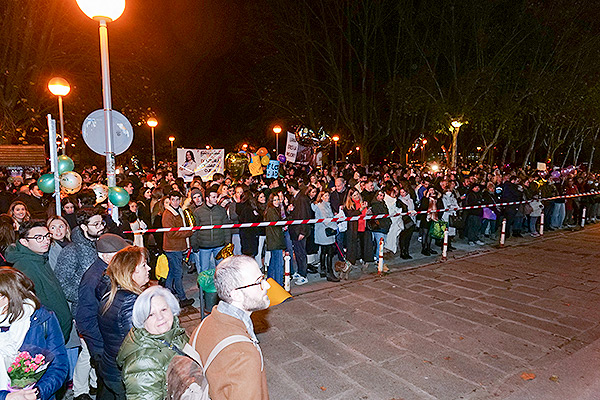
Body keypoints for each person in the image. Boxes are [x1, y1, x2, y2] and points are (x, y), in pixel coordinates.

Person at [190, 255, 269, 400]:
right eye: (258, 282)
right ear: (236, 294)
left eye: (263, 277)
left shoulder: (203, 326)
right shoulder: (244, 356)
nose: (267, 285)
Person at [0, 267, 69, 400]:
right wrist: (6, 397)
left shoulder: (42, 319)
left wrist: (37, 393)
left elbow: (59, 365)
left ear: (13, 296)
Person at [96, 246, 150, 400]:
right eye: (144, 265)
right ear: (131, 272)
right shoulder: (130, 303)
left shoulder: (111, 294)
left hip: (111, 368)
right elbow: (138, 346)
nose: (149, 268)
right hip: (125, 375)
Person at [4, 221, 72, 342]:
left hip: (57, 334)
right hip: (49, 338)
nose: (46, 241)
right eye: (38, 238)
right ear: (24, 242)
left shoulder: (39, 258)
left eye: (47, 236)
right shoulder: (25, 267)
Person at [117, 286, 189, 400]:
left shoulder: (173, 333)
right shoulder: (143, 363)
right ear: (142, 320)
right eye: (151, 315)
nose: (160, 317)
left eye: (164, 310)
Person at [162, 191, 194, 308]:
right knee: (178, 272)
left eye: (177, 199)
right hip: (172, 248)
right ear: (170, 200)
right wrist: (188, 232)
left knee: (172, 272)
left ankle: (166, 293)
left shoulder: (178, 210)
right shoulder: (168, 214)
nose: (175, 202)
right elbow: (171, 233)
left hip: (177, 247)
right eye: (173, 199)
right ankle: (182, 298)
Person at [190, 186, 230, 273]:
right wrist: (194, 244)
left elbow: (226, 227)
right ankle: (204, 287)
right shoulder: (198, 212)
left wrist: (227, 242)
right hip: (204, 246)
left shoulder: (221, 210)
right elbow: (195, 230)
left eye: (216, 197)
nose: (216, 199)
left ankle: (219, 286)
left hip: (219, 244)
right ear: (207, 198)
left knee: (220, 269)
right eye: (214, 197)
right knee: (204, 270)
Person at [286, 179, 312, 285]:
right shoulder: (295, 198)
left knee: (301, 253)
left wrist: (302, 231)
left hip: (299, 230)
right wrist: (289, 210)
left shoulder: (302, 199)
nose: (287, 190)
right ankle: (300, 271)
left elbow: (305, 215)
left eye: (288, 187)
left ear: (291, 187)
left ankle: (303, 274)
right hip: (294, 229)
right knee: (297, 251)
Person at [263, 194, 286, 285]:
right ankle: (278, 284)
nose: (277, 202)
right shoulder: (272, 211)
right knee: (278, 264)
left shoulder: (272, 210)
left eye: (278, 200)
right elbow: (277, 225)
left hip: (274, 240)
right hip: (276, 240)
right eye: (274, 200)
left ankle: (271, 282)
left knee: (273, 262)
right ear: (271, 201)